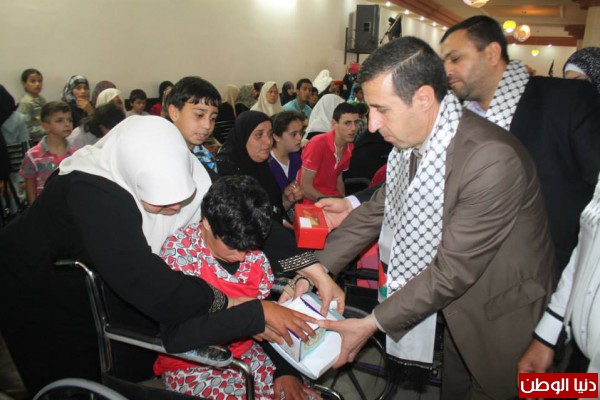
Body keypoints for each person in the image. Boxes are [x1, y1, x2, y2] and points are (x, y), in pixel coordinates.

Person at [0, 115, 317, 395]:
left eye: (181, 197)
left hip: (101, 275)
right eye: (162, 202)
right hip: (38, 283)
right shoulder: (93, 193)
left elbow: (242, 212)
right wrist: (238, 307)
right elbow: (145, 282)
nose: (177, 209)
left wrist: (313, 269)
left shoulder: (175, 164)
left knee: (118, 360)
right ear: (135, 180)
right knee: (69, 374)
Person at [315, 36, 556, 400]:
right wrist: (316, 268)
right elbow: (377, 211)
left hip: (501, 319)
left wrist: (370, 323)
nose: (373, 125)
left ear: (424, 98)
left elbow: (451, 271)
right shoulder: (412, 145)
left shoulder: (490, 159)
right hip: (453, 312)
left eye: (382, 109)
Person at [440, 16, 600, 272]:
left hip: (550, 269)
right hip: (469, 268)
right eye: (444, 61)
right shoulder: (454, 116)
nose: (447, 70)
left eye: (455, 59)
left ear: (492, 54)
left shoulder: (566, 100)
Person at [155, 175, 319, 400]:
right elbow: (179, 337)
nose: (242, 256)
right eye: (233, 246)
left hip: (248, 356)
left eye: (249, 247)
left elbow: (268, 325)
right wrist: (251, 317)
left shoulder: (254, 256)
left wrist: (286, 370)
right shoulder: (180, 253)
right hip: (192, 365)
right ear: (207, 223)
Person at [217, 111, 301, 226]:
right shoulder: (227, 170)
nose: (268, 142)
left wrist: (286, 200)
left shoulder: (262, 165)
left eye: (270, 134)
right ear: (243, 136)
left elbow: (272, 209)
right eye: (258, 135)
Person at [299, 103, 358, 204]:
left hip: (332, 199)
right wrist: (330, 202)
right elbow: (305, 187)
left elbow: (338, 178)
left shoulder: (349, 146)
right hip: (312, 201)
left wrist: (344, 202)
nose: (353, 128)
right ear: (334, 123)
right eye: (347, 123)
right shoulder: (317, 143)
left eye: (356, 122)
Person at [20, 101, 75, 204]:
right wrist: (34, 208)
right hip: (44, 206)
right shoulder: (33, 155)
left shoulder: (75, 154)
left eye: (70, 120)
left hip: (68, 205)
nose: (67, 124)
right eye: (60, 120)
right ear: (46, 126)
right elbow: (30, 183)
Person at [166, 76, 220, 178]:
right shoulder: (163, 157)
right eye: (199, 115)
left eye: (213, 118)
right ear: (174, 112)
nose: (207, 125)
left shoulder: (204, 155)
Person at [269, 111, 304, 192]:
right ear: (276, 136)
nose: (299, 138)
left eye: (301, 132)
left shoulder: (301, 156)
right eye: (293, 134)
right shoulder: (266, 163)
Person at [16, 68, 46, 141]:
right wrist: (47, 130)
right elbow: (25, 127)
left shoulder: (42, 100)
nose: (37, 84)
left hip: (44, 138)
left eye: (40, 81)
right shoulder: (26, 103)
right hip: (32, 141)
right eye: (33, 81)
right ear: (24, 84)